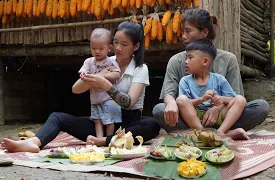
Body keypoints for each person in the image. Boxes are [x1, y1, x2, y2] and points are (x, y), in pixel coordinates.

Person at [3, 21, 160, 153]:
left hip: (127, 125)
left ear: (136, 46)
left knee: (152, 125)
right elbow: (75, 89)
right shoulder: (104, 61)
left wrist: (103, 82)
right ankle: (34, 142)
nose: (118, 48)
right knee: (57, 117)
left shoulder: (140, 69)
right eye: (116, 42)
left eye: (124, 44)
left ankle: (104, 141)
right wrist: (93, 78)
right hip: (101, 119)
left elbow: (129, 102)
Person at [153, 9, 269, 136]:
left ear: (204, 32)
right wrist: (171, 103)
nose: (183, 36)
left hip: (223, 116)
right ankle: (220, 134)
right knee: (159, 110)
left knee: (261, 107)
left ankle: (211, 133)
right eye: (183, 31)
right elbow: (169, 94)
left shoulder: (228, 59)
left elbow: (235, 98)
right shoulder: (176, 61)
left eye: (188, 31)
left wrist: (216, 109)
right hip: (190, 116)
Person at [177, 39, 248, 139]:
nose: (186, 62)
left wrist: (222, 99)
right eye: (186, 58)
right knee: (180, 99)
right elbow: (183, 104)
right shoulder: (185, 81)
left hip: (219, 115)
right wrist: (201, 100)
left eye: (190, 58)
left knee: (241, 99)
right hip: (195, 116)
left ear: (205, 61)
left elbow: (233, 99)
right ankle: (202, 133)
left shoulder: (219, 79)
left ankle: (220, 132)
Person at [73, 28, 121, 138]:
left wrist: (104, 76)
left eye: (101, 49)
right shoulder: (89, 62)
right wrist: (83, 75)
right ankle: (99, 139)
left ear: (109, 48)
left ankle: (108, 139)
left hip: (108, 98)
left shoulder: (110, 62)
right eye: (94, 48)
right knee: (97, 120)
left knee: (109, 121)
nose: (97, 51)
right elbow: (83, 72)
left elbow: (117, 74)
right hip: (95, 99)